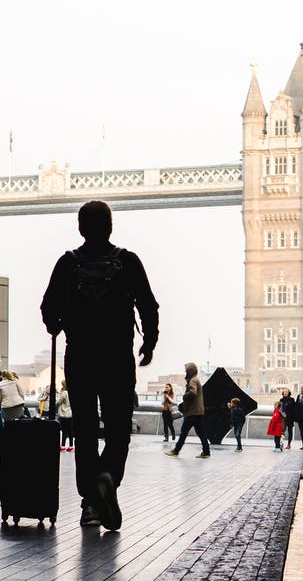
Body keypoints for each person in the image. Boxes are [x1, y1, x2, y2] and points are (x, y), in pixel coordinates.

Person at [41, 200, 159, 531]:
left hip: (79, 358)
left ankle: (90, 503)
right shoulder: (128, 262)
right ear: (110, 226)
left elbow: (48, 308)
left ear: (80, 228)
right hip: (117, 358)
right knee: (119, 429)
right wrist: (148, 344)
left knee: (86, 431)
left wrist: (57, 324)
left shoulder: (68, 263)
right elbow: (149, 306)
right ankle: (108, 477)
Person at [167, 362, 209, 459]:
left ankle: (176, 450)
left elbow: (193, 393)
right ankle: (206, 452)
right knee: (201, 433)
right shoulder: (195, 379)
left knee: (183, 432)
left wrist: (184, 396)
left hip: (192, 412)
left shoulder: (193, 380)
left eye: (186, 370)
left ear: (190, 371)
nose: (185, 371)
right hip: (198, 412)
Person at [57, 380, 74, 451]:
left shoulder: (64, 393)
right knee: (70, 430)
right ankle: (71, 446)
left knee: (64, 430)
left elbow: (59, 402)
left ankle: (63, 446)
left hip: (64, 414)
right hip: (71, 413)